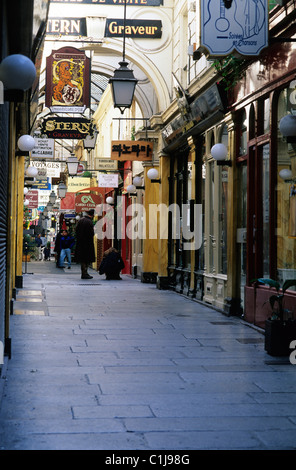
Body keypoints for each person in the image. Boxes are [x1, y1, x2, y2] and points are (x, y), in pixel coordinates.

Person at [75, 209, 96, 279]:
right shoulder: (89, 222)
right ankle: (85, 273)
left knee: (83, 259)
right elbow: (91, 233)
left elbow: (76, 230)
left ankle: (83, 273)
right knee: (86, 258)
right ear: (92, 215)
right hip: (87, 243)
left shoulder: (81, 220)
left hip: (80, 243)